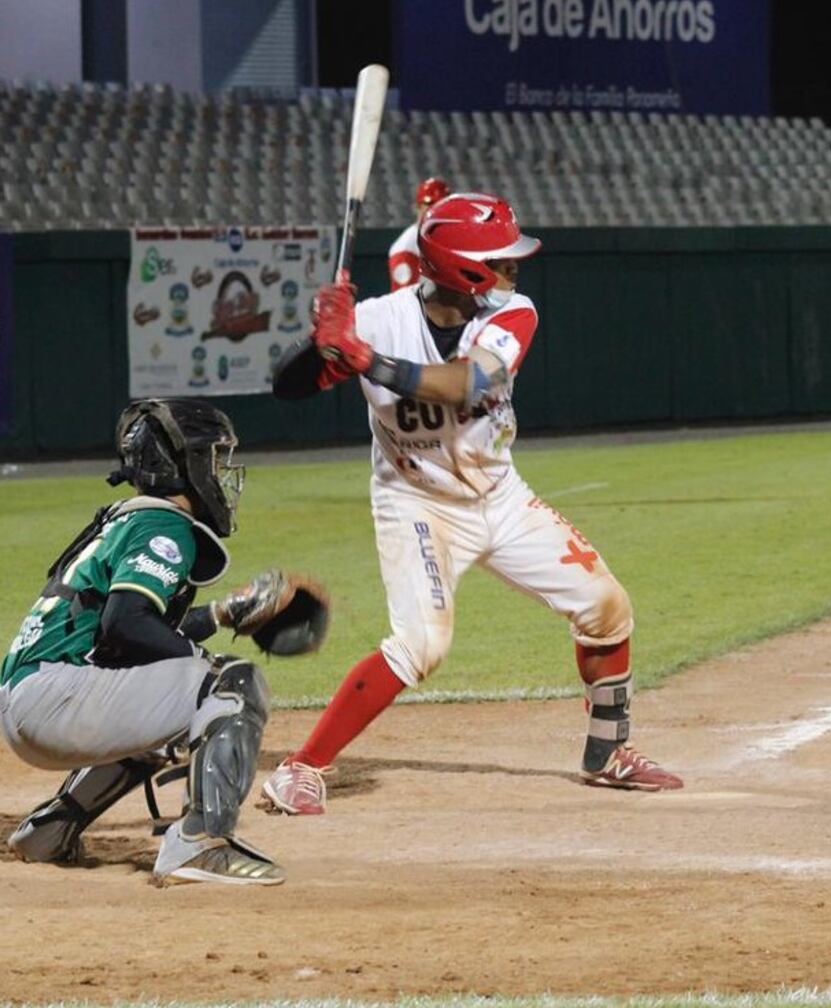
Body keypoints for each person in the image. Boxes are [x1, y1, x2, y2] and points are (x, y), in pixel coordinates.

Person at [260, 192, 683, 816]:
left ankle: (608, 754)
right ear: (464, 269)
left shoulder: (514, 314)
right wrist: (324, 338)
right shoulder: (379, 319)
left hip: (501, 497)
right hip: (417, 503)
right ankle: (301, 768)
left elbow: (467, 385)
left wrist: (365, 358)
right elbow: (287, 386)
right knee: (420, 646)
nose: (514, 271)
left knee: (606, 606)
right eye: (501, 261)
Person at [0, 398, 287, 887]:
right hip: (58, 700)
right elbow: (126, 624)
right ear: (183, 464)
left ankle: (51, 829)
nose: (221, 471)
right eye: (214, 458)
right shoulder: (164, 524)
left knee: (175, 693)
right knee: (231, 684)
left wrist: (222, 614)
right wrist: (203, 668)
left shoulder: (126, 518)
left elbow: (123, 637)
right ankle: (200, 844)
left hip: (30, 698)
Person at [387, 176, 450, 291]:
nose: (435, 210)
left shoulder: (443, 238)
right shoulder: (406, 248)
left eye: (441, 205)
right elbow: (403, 299)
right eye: (429, 204)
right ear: (418, 207)